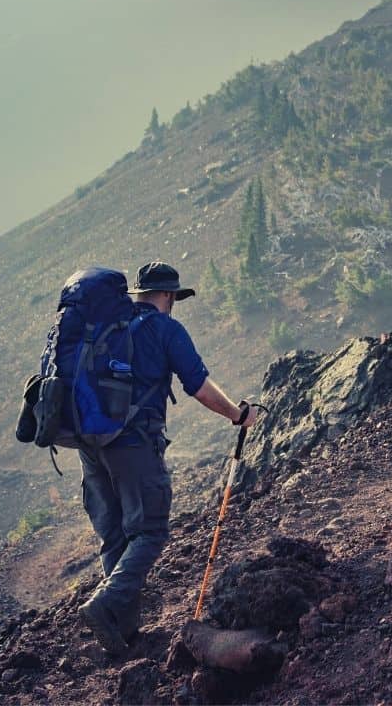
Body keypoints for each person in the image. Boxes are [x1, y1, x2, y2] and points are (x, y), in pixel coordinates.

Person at [77, 261, 257, 654]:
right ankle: (105, 605)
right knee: (150, 531)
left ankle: (122, 634)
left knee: (116, 535)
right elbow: (199, 386)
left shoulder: (106, 327)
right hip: (133, 442)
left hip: (89, 445)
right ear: (170, 295)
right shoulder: (165, 329)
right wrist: (238, 415)